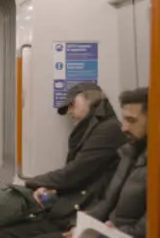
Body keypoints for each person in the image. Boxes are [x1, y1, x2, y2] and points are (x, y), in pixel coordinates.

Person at [0, 83, 127, 238]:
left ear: (91, 99)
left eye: (73, 104)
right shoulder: (92, 129)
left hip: (87, 210)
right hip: (78, 204)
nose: (70, 111)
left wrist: (29, 183)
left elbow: (74, 173)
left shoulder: (108, 130)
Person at [58, 87, 148, 238]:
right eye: (124, 119)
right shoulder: (129, 153)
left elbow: (147, 229)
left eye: (132, 121)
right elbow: (107, 203)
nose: (124, 128)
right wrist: (78, 225)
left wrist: (102, 234)